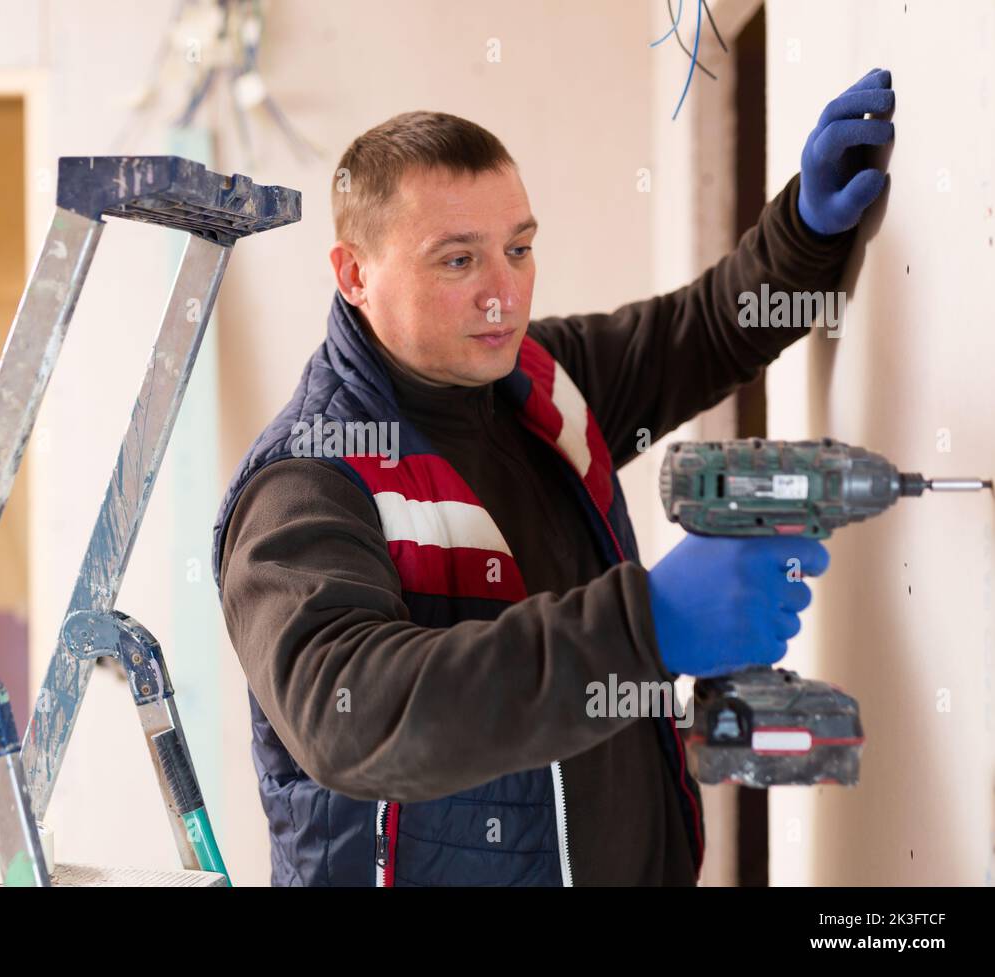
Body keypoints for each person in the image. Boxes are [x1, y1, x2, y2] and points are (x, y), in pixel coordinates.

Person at [211, 69, 895, 886]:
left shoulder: (540, 381)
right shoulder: (308, 478)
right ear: (354, 273)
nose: (505, 295)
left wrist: (806, 232)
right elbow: (349, 717)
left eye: (519, 249)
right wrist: (647, 626)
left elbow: (700, 331)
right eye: (458, 259)